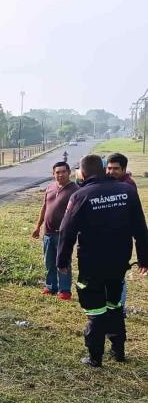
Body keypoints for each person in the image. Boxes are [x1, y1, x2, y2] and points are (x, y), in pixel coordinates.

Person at [57, 154, 148, 367]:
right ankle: (118, 351)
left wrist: (62, 260)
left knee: (96, 309)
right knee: (115, 305)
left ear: (83, 172)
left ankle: (95, 357)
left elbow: (66, 230)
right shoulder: (127, 191)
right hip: (119, 262)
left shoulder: (81, 195)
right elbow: (141, 229)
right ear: (104, 169)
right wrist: (144, 258)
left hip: (92, 263)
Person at [32, 161, 79, 299]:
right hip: (48, 232)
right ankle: (51, 286)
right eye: (57, 172)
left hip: (63, 234)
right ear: (53, 174)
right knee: (49, 261)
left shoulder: (75, 190)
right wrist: (37, 226)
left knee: (63, 261)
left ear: (69, 172)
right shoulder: (50, 187)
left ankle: (64, 290)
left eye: (63, 171)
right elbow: (44, 207)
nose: (60, 175)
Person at [106, 152, 138, 313]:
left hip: (121, 239)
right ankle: (111, 306)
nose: (111, 172)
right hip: (107, 238)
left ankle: (119, 309)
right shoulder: (110, 182)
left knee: (118, 276)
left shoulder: (128, 186)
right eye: (109, 168)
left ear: (124, 169)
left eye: (116, 169)